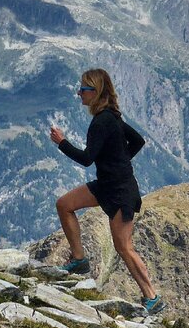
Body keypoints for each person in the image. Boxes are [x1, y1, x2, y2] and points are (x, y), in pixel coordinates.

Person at [49, 68, 165, 315]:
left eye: (83, 89)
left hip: (120, 191)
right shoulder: (111, 116)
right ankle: (79, 260)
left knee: (123, 246)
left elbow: (86, 158)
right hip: (108, 185)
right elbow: (138, 141)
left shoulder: (102, 121)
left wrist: (62, 142)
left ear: (96, 91)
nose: (79, 93)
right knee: (64, 204)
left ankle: (152, 298)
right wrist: (119, 161)